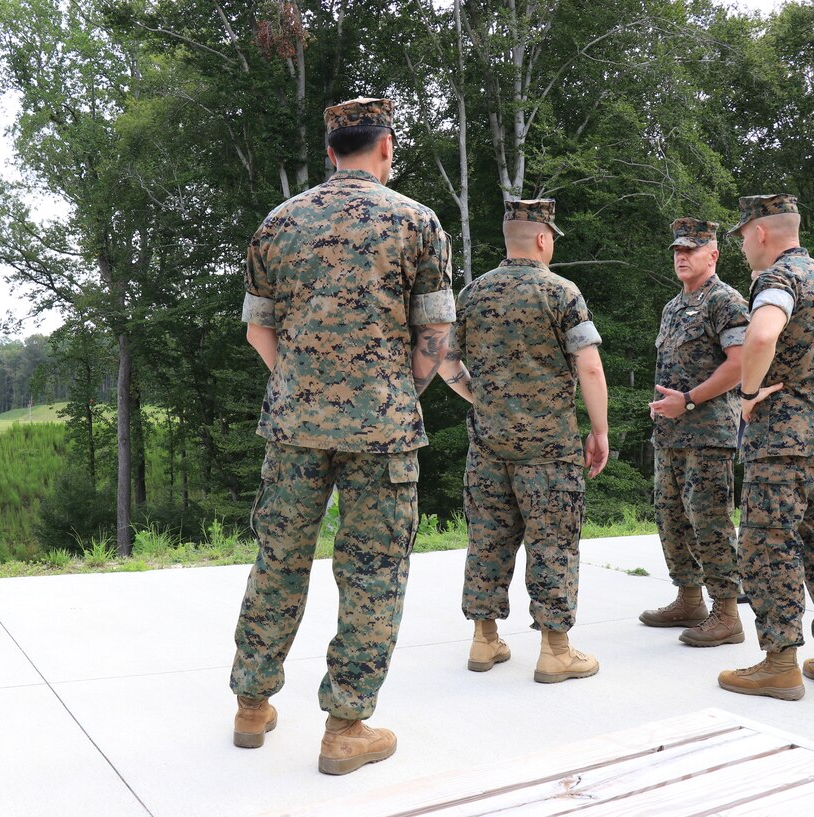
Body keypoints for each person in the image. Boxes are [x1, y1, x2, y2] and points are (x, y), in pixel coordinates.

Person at [229, 97, 456, 774]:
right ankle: (346, 725)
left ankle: (250, 703)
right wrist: (395, 389)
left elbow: (256, 328)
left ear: (331, 151)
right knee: (373, 571)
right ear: (385, 149)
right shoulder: (418, 222)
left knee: (279, 558)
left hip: (295, 424)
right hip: (382, 427)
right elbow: (435, 335)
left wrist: (301, 382)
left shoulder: (280, 221)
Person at [439, 198, 609, 684]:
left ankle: (484, 639)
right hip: (549, 447)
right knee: (552, 541)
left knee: (488, 538)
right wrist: (599, 431)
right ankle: (555, 650)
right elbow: (590, 366)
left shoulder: (472, 294)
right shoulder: (561, 293)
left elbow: (446, 363)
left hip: (489, 442)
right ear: (542, 238)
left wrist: (480, 397)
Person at [718, 194, 814, 700]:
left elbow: (762, 336)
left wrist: (746, 395)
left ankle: (780, 664)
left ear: (761, 232)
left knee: (768, 542)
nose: (743, 246)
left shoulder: (778, 279)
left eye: (742, 235)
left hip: (781, 442)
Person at [641, 218, 749, 646]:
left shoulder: (725, 301)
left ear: (713, 255)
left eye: (691, 250)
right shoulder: (674, 306)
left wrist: (687, 400)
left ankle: (726, 613)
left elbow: (739, 364)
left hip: (708, 433)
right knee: (671, 517)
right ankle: (689, 599)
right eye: (677, 251)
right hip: (671, 435)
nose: (681, 257)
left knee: (709, 520)